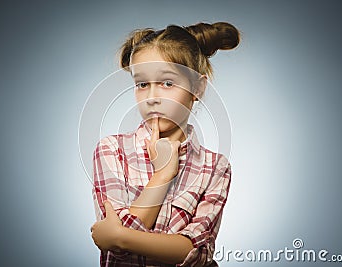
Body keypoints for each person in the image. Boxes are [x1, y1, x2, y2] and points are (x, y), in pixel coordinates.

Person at [90, 22, 240, 266]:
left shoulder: (215, 167)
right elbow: (118, 253)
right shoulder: (112, 150)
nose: (152, 98)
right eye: (142, 84)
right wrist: (163, 174)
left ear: (197, 87)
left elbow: (196, 253)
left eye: (167, 83)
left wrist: (119, 236)